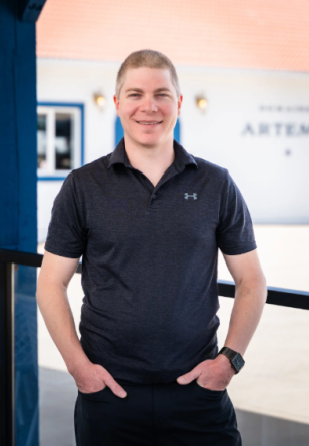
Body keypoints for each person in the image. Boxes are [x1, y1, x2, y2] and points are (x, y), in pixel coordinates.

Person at [36, 49, 267, 445]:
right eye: (135, 94)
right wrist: (79, 369)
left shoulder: (216, 184)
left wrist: (228, 362)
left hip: (199, 392)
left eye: (162, 94)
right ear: (117, 104)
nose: (149, 107)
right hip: (108, 393)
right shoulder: (82, 186)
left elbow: (251, 280)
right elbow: (50, 284)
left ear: (178, 103)